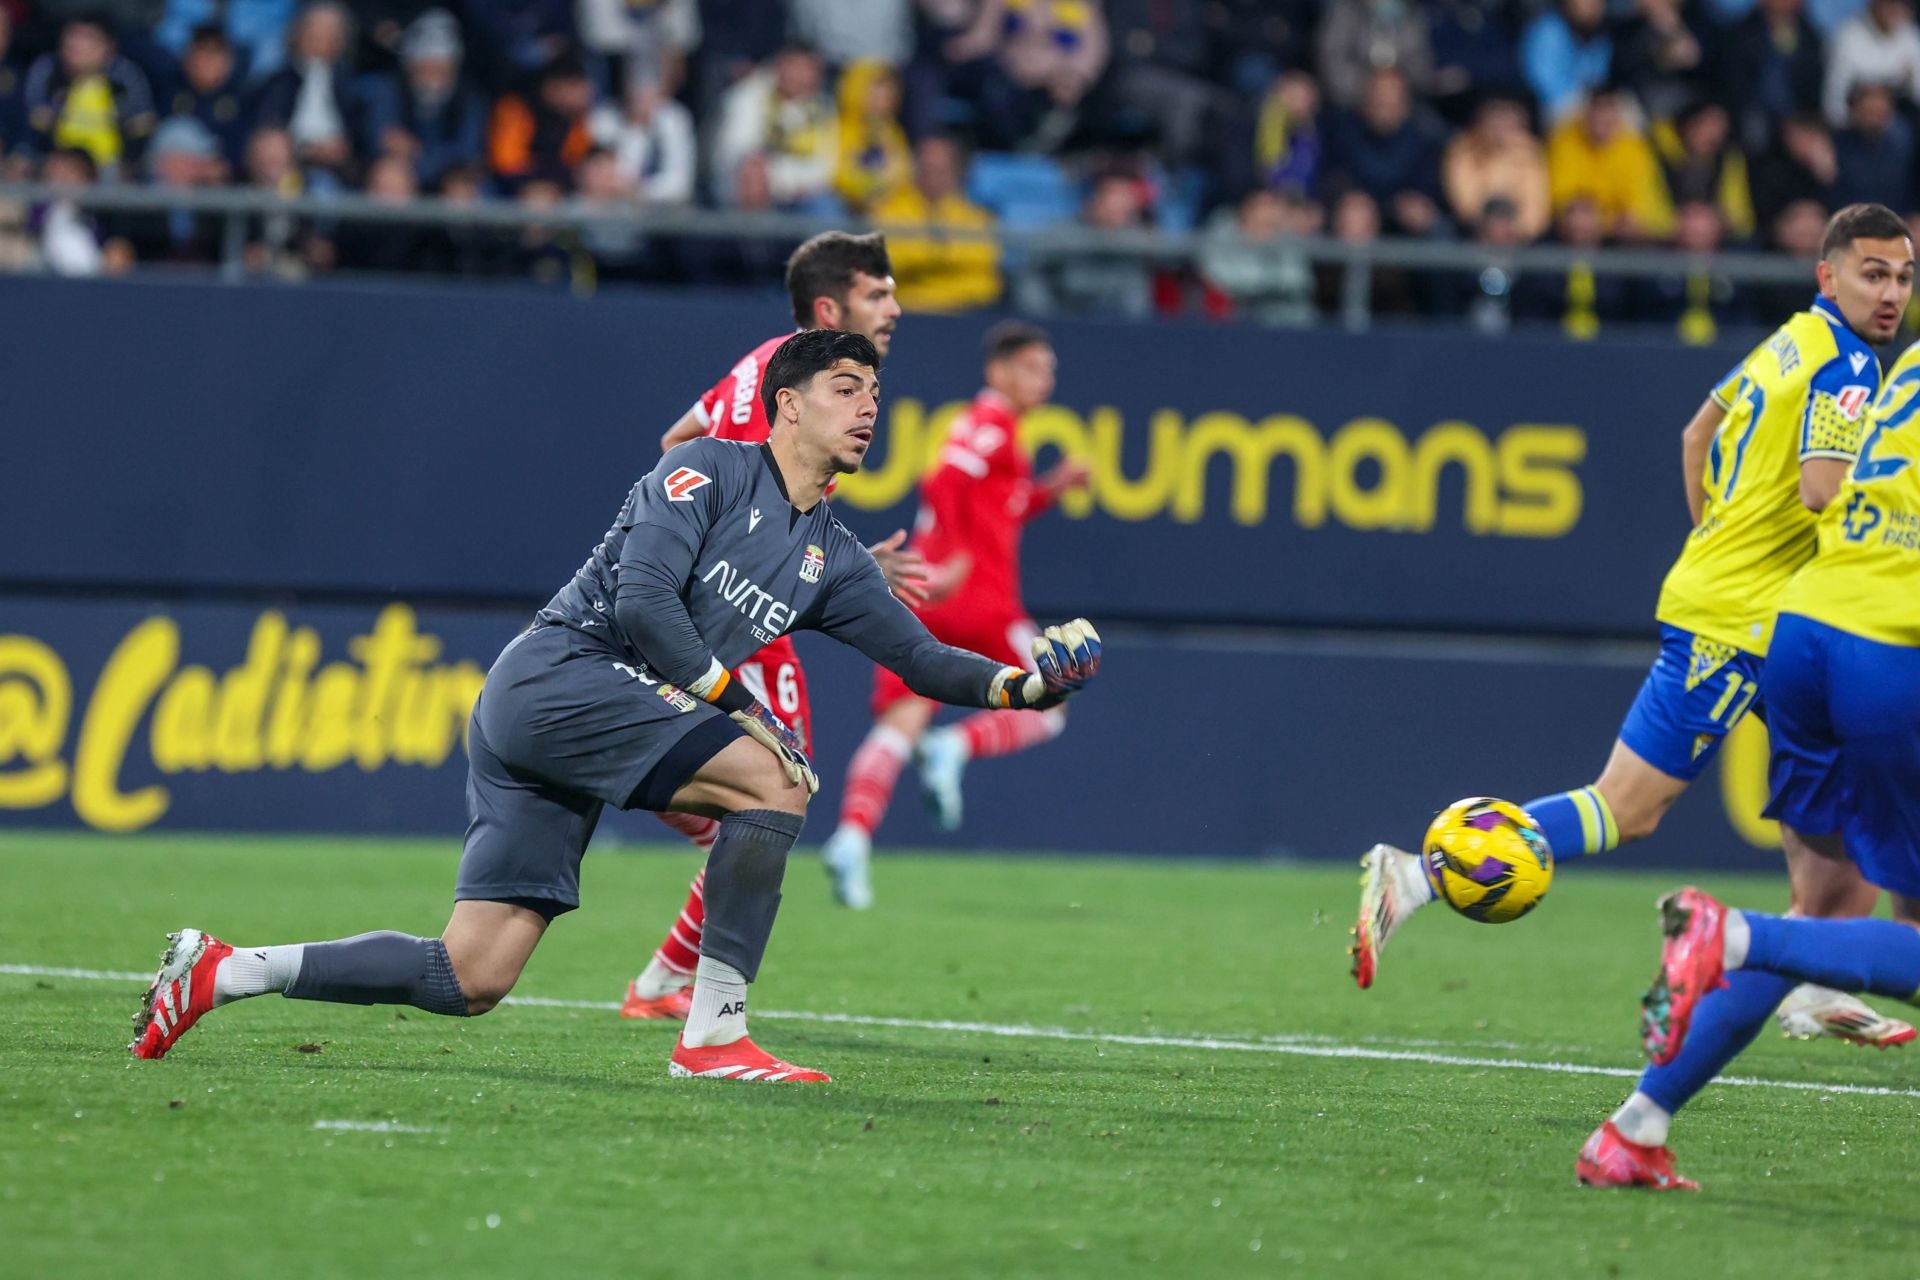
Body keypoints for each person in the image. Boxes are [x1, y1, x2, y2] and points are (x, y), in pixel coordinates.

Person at [128, 328, 1104, 1086]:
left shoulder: (831, 553)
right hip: (555, 680)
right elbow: (642, 603)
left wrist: (1027, 686)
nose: (867, 409)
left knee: (473, 975)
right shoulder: (708, 470)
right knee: (778, 773)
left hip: (571, 727)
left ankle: (222, 968)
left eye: (875, 395)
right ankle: (713, 1032)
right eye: (847, 389)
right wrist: (740, 705)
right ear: (785, 404)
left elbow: (925, 659)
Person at [1349, 203, 1918, 1053]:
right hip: (1741, 622)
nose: (1892, 294)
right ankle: (1419, 873)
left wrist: (1712, 539)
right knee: (1629, 809)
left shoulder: (1789, 342)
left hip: (1774, 621)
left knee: (1833, 812)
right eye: (1873, 273)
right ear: (1826, 275)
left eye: (1904, 277)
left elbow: (1699, 434)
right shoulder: (1847, 367)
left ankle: (1810, 981)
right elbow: (1824, 492)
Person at [1579, 343, 1920, 1187]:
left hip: (1803, 628)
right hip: (1890, 649)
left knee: (1835, 910)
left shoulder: (1905, 360)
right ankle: (1725, 933)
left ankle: (1636, 1127)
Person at [622, 229, 927, 1019]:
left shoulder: (762, 363)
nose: (895, 308)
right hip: (731, 607)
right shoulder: (791, 381)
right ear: (830, 308)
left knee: (762, 794)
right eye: (878, 293)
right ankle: (694, 1006)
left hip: (740, 600)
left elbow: (673, 444)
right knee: (771, 794)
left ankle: (663, 982)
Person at [818, 322, 1091, 909]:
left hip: (922, 597)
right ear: (1000, 371)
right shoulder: (991, 424)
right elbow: (942, 480)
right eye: (1034, 367)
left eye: (1049, 368)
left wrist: (1050, 488)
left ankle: (851, 838)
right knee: (1051, 702)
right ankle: (958, 748)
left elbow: (1000, 506)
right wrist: (958, 554)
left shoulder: (990, 430)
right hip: (978, 599)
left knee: (899, 723)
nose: (1045, 379)